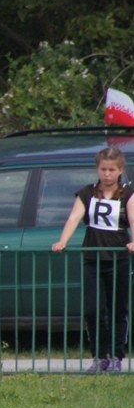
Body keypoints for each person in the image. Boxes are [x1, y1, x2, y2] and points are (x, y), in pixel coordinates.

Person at [52, 147, 134, 373]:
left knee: (118, 309)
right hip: (93, 258)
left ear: (119, 171)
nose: (107, 174)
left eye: (111, 170)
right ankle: (100, 355)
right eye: (103, 169)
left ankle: (117, 355)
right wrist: (63, 241)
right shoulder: (87, 193)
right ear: (97, 170)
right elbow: (74, 218)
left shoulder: (128, 194)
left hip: (118, 258)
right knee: (93, 309)